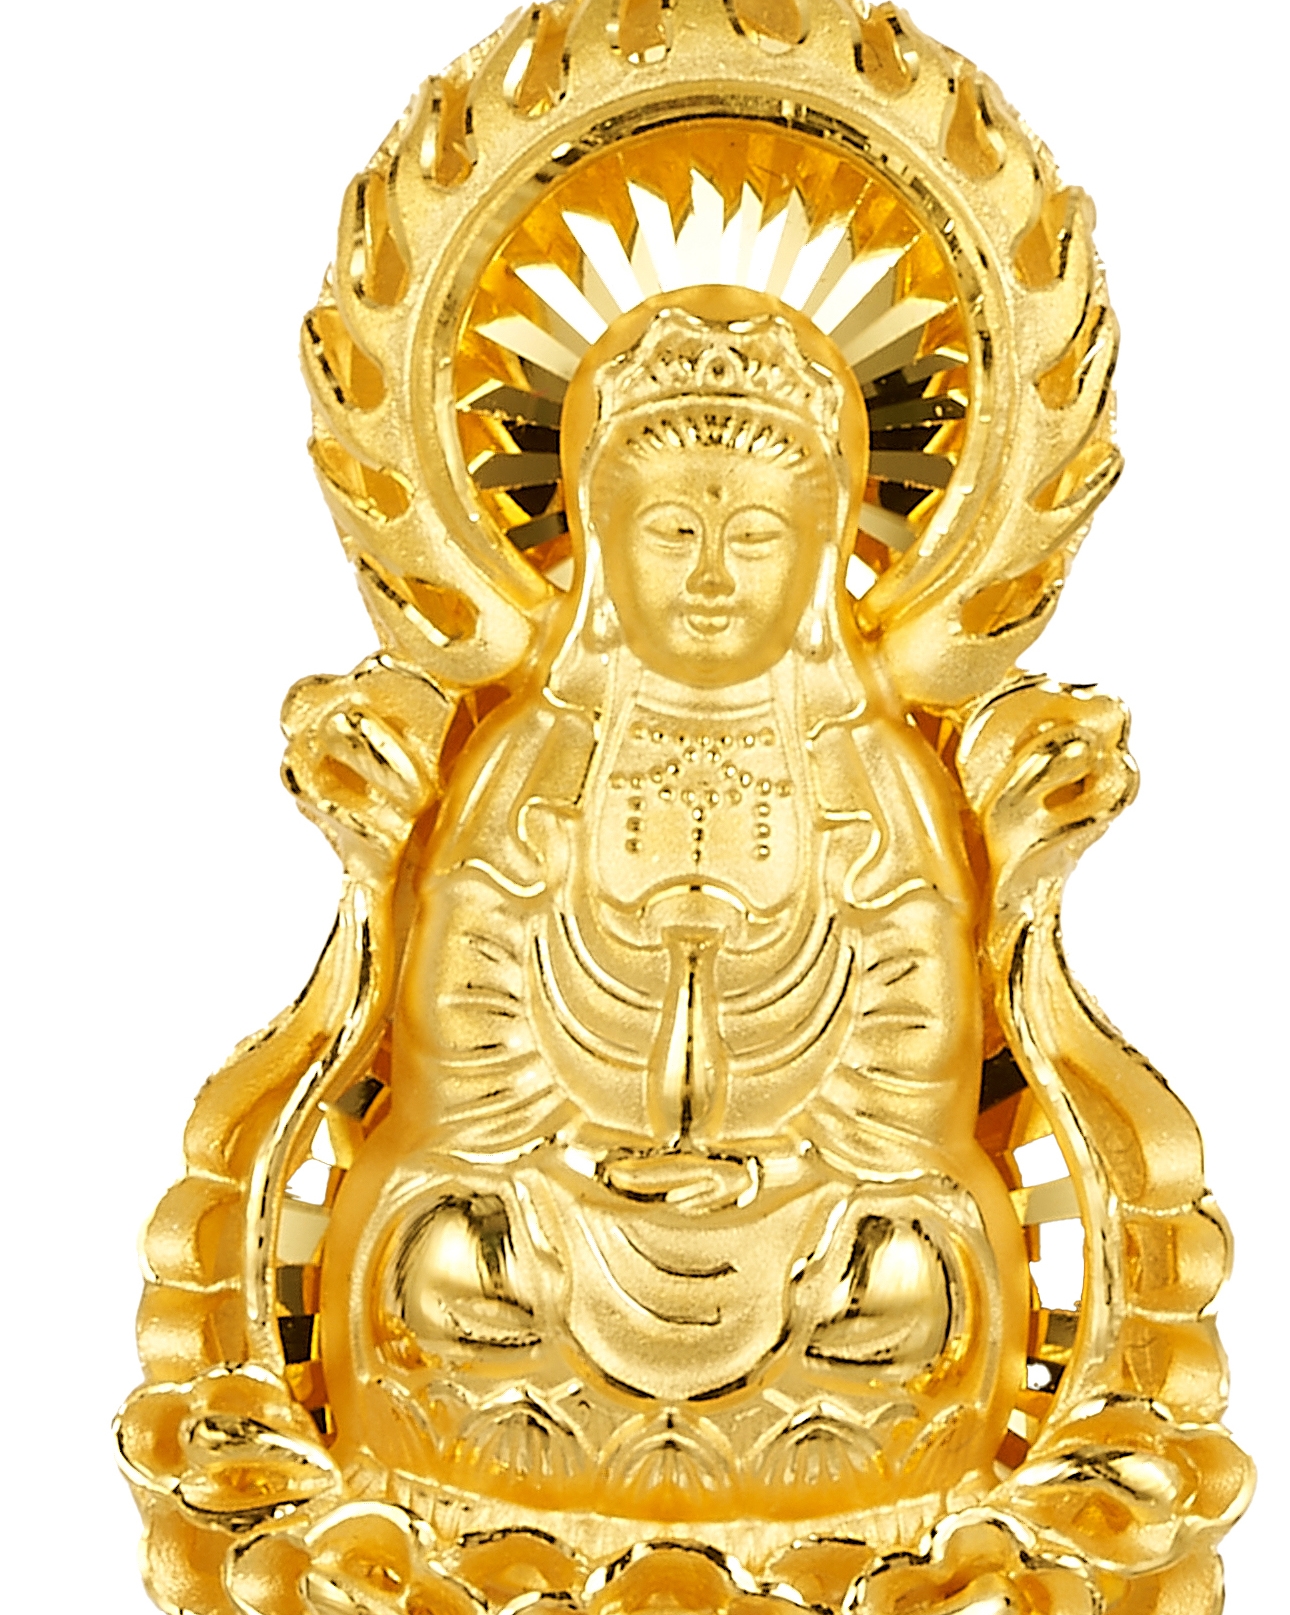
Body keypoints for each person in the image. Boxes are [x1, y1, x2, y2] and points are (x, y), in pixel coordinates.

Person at [321, 290, 1024, 1502]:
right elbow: (461, 1025)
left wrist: (771, 1175)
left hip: (797, 1212)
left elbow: (913, 1044)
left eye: (753, 537)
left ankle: (682, 1469)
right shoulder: (535, 752)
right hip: (565, 1204)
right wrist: (576, 1157)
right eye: (670, 531)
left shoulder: (867, 769)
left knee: (908, 1275)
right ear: (600, 543)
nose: (710, 575)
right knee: (443, 1252)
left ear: (818, 552)